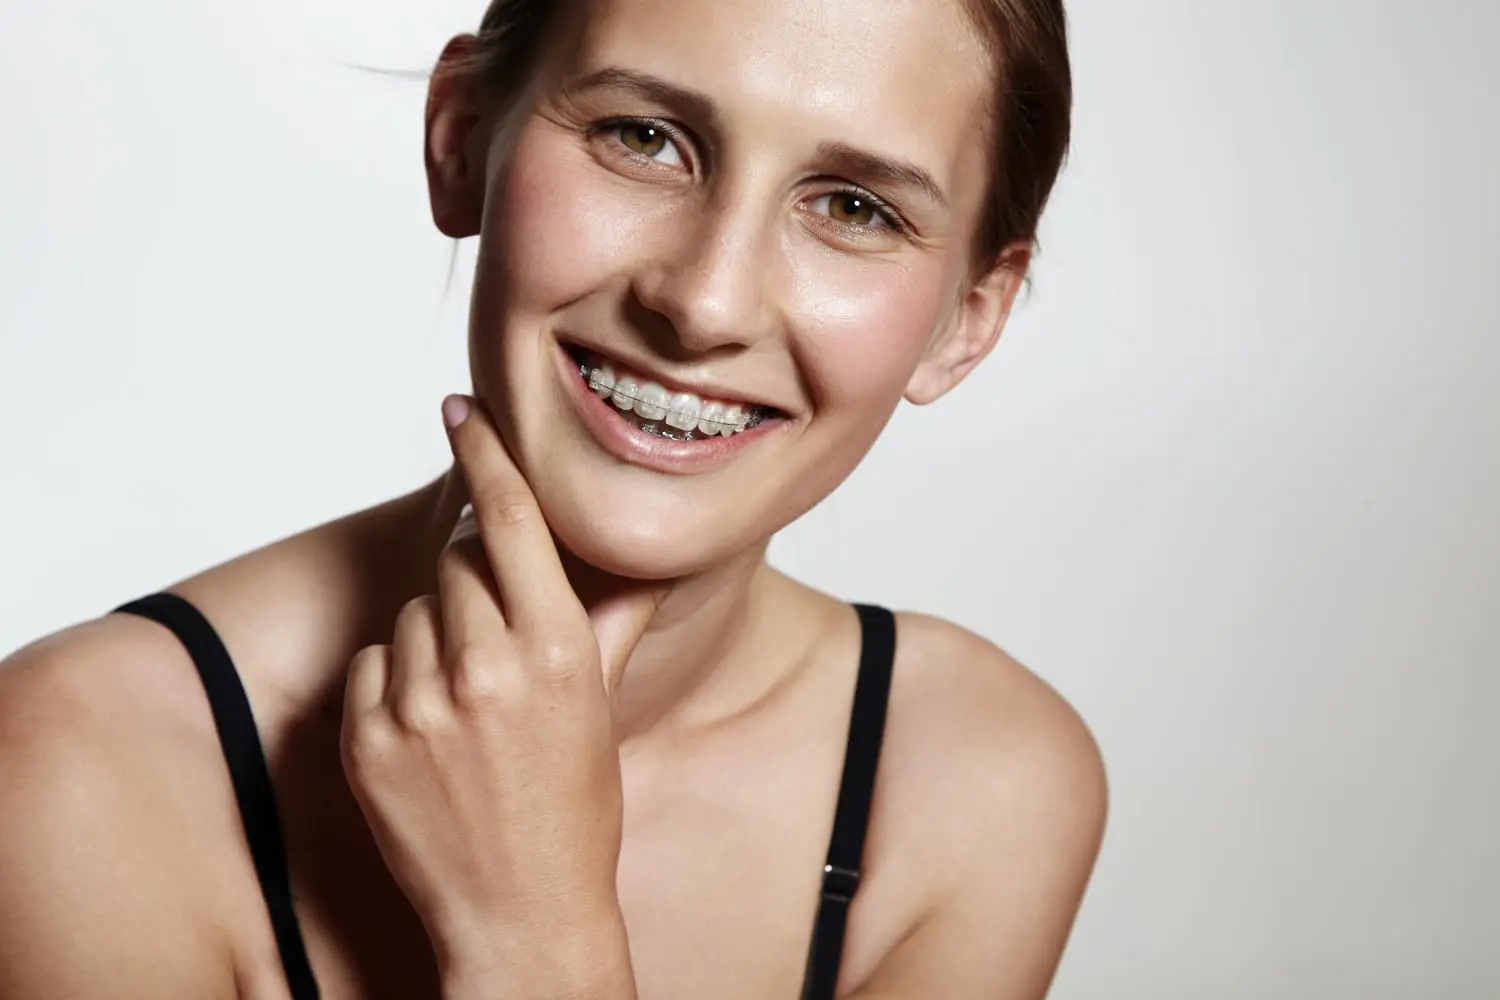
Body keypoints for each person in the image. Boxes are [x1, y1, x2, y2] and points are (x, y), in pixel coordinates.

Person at [0, 0, 1107, 996]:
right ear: (461, 136)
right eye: (645, 138)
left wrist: (533, 937)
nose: (704, 302)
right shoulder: (79, 771)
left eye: (854, 208)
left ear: (969, 316)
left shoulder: (977, 786)